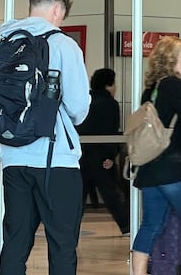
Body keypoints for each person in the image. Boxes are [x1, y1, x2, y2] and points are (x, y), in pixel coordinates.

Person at [0, 0, 90, 275]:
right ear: (57, 9)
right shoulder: (63, 45)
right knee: (62, 245)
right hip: (55, 160)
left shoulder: (5, 43)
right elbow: (77, 107)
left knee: (14, 243)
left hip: (12, 158)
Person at [130, 36, 181, 275]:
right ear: (171, 60)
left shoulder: (150, 90)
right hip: (175, 169)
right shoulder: (173, 85)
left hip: (151, 168)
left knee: (151, 224)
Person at [76, 68, 129, 235]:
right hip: (101, 157)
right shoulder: (110, 104)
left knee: (78, 197)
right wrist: (111, 156)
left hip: (81, 155)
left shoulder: (84, 100)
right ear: (108, 85)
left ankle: (70, 230)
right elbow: (111, 131)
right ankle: (126, 227)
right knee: (111, 194)